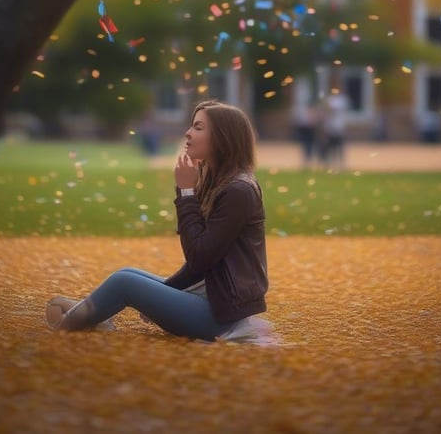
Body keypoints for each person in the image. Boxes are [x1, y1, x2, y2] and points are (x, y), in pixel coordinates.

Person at [45, 100, 274, 344]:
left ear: (222, 138)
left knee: (125, 283)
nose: (187, 133)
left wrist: (187, 192)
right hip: (216, 300)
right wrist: (162, 294)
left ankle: (67, 324)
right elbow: (203, 261)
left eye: (198, 127)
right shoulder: (221, 183)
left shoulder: (238, 190)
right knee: (127, 273)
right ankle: (92, 316)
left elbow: (199, 256)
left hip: (221, 316)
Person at [318, 89, 350, 170]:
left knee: (339, 148)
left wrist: (325, 104)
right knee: (328, 149)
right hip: (329, 129)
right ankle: (328, 164)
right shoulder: (329, 100)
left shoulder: (340, 100)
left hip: (338, 129)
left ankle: (340, 165)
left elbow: (332, 110)